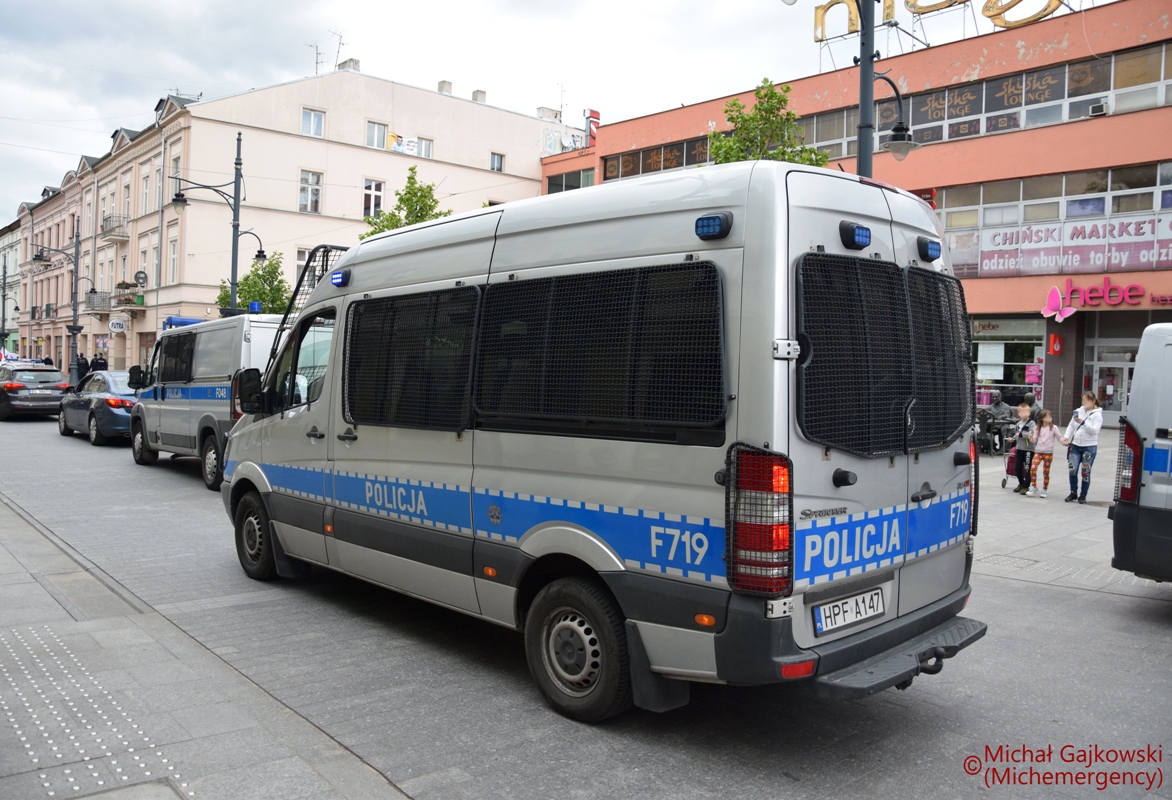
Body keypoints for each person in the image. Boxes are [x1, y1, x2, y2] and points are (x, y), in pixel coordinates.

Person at [1062, 392, 1103, 504]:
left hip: (1089, 446)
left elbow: (1095, 430)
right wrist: (1066, 436)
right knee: (1072, 469)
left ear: (1093, 401)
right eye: (1083, 400)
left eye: (1087, 401)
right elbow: (1071, 425)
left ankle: (1083, 495)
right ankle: (1073, 492)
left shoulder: (1097, 415)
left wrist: (1084, 423)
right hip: (1075, 445)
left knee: (1085, 471)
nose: (1084, 403)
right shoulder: (1078, 411)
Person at [1026, 409, 1060, 498]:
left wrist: (1065, 441)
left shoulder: (1054, 428)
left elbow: (1059, 437)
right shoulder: (1038, 427)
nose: (1050, 418)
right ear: (1042, 418)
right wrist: (1030, 438)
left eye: (1050, 416)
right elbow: (1034, 440)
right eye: (1047, 417)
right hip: (1038, 451)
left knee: (1046, 472)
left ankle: (1045, 489)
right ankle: (1033, 486)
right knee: (1033, 468)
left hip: (1048, 452)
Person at [1010, 402, 1036, 495]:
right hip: (1019, 448)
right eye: (1022, 412)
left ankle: (1026, 485)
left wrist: (1021, 434)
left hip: (1028, 449)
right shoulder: (1018, 423)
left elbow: (1031, 434)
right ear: (1018, 413)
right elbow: (1016, 434)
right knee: (1017, 467)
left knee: (1028, 468)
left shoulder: (1031, 423)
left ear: (1029, 413)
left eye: (1026, 412)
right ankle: (1021, 483)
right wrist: (1013, 438)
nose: (1024, 414)